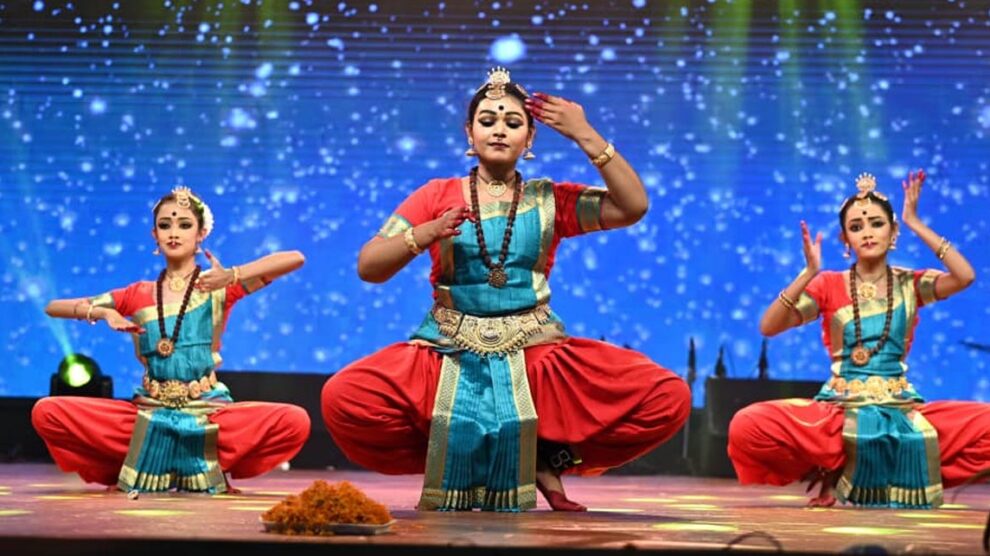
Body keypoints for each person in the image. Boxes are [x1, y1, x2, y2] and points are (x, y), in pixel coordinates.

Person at [322, 67, 690, 512]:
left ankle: (545, 457)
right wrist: (426, 232)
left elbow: (632, 207)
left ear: (529, 138)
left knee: (667, 397)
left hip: (534, 352)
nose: (499, 130)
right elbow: (369, 266)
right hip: (449, 349)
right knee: (344, 398)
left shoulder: (549, 199)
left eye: (513, 123)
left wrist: (585, 134)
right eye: (488, 120)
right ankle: (462, 455)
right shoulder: (436, 195)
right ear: (469, 132)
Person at [728, 170, 983, 508]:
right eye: (856, 227)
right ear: (845, 239)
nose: (867, 232)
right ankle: (838, 465)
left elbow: (965, 276)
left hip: (901, 410)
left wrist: (915, 222)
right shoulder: (829, 284)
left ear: (893, 232)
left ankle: (871, 471)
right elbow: (768, 327)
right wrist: (808, 273)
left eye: (877, 224)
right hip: (839, 412)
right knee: (747, 425)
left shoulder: (910, 283)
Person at [32, 186, 311, 494]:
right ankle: (165, 459)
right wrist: (102, 312)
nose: (174, 233)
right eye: (165, 225)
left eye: (184, 224)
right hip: (148, 412)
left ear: (201, 233)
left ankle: (186, 459)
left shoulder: (217, 287)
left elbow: (295, 258)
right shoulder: (137, 293)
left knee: (294, 420)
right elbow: (53, 307)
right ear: (155, 235)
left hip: (207, 412)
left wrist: (232, 275)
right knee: (47, 412)